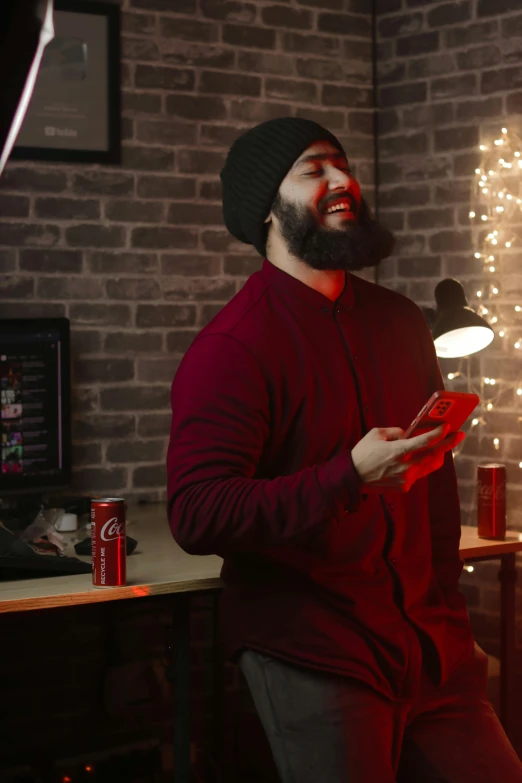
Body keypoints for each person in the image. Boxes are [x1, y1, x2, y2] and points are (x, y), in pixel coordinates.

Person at [166, 117, 522, 782]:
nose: (341, 181)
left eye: (342, 164)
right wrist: (348, 475)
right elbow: (198, 512)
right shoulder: (232, 348)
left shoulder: (400, 321)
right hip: (315, 652)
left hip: (431, 646)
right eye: (313, 169)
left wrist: (450, 614)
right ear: (267, 208)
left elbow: (436, 500)